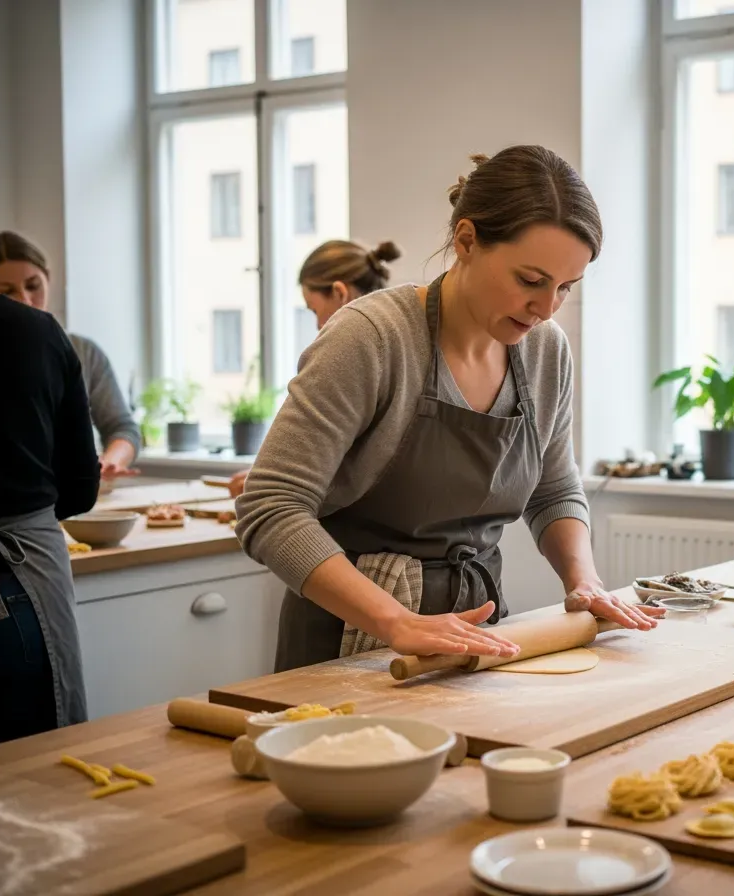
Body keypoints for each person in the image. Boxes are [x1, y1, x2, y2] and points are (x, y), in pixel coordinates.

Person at [237, 145, 661, 672]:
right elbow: (271, 507)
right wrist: (395, 621)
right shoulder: (372, 339)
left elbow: (554, 490)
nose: (546, 307)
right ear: (466, 241)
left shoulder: (546, 351)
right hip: (348, 641)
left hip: (477, 636)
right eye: (530, 281)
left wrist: (584, 581)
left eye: (565, 288)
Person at [0, 184, 99, 749]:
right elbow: (79, 487)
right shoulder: (37, 333)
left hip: (6, 567)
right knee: (33, 779)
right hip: (16, 582)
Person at [226, 238, 403, 498]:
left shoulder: (346, 356)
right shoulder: (401, 342)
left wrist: (272, 487)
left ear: (340, 293)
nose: (319, 324)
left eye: (314, 310)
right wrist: (276, 476)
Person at [0, 231, 141, 482]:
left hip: (79, 500)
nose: (25, 300)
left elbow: (122, 427)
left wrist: (109, 462)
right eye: (7, 291)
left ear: (48, 279)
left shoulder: (83, 351)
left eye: (33, 286)